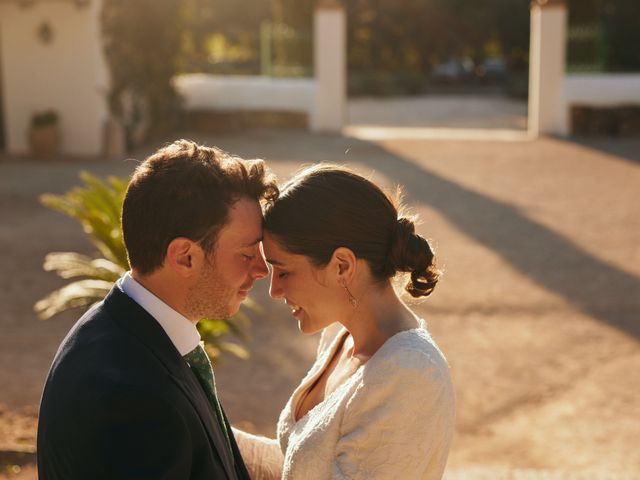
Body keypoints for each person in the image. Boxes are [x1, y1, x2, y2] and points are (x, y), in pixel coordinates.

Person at [37, 139, 278, 479]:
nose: (261, 270)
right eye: (247, 254)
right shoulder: (131, 397)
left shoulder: (123, 330)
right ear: (184, 256)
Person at [234, 164, 456, 480]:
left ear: (342, 266)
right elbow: (298, 467)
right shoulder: (339, 335)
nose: (274, 290)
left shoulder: (410, 373)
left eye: (283, 272)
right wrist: (198, 424)